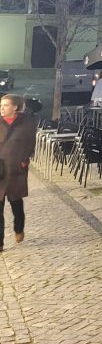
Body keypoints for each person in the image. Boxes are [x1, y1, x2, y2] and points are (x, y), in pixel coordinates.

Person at [0, 94, 38, 250]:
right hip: (0, 169)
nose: (2, 109)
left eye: (5, 105)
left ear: (15, 107)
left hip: (16, 168)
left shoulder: (27, 124)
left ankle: (19, 228)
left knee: (16, 203)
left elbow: (30, 144)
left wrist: (24, 159)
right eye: (1, 106)